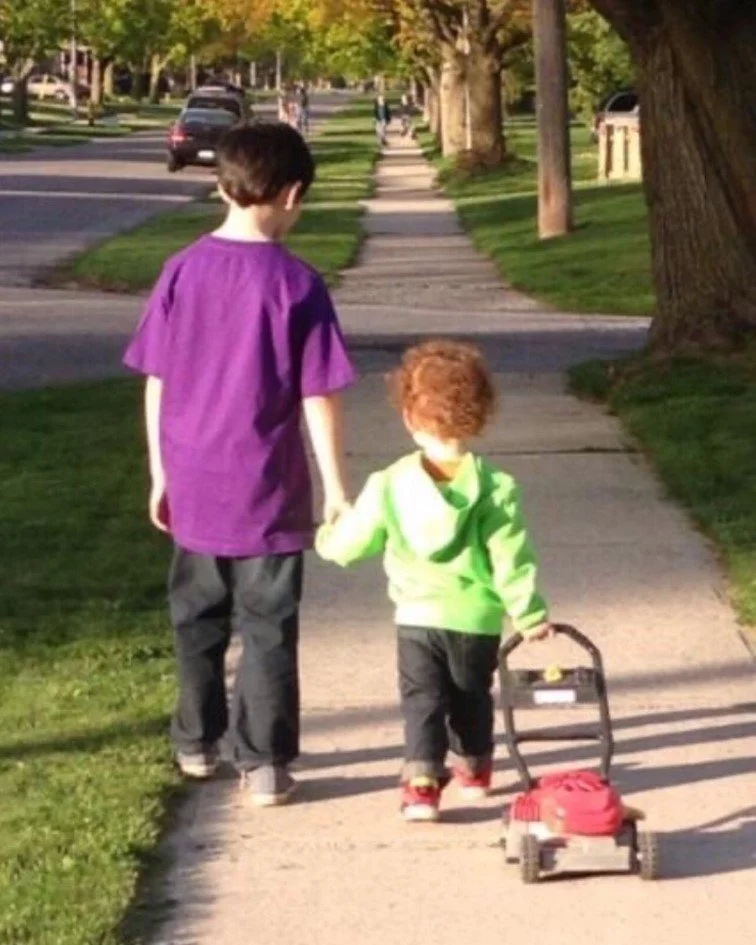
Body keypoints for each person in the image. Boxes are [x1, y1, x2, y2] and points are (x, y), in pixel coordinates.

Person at [123, 123, 356, 808]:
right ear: (291, 194)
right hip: (269, 491)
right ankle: (264, 762)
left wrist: (160, 471)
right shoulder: (298, 284)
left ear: (223, 186)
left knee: (197, 616)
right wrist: (336, 488)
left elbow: (157, 379)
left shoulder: (181, 270)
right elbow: (318, 393)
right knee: (268, 624)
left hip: (193, 481)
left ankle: (196, 741)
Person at [317, 341, 552, 823]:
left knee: (422, 700)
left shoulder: (389, 484)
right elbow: (511, 558)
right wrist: (529, 614)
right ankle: (474, 767)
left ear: (409, 416)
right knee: (471, 693)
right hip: (476, 618)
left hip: (417, 617)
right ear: (480, 416)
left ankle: (422, 783)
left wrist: (328, 536)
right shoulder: (496, 488)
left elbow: (351, 543)